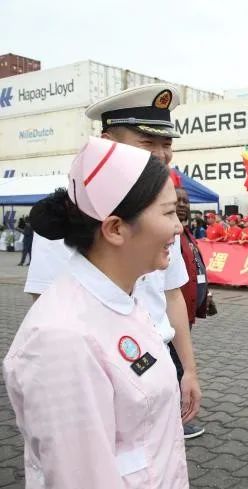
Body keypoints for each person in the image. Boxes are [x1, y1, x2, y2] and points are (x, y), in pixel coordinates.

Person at [4, 138, 188, 487]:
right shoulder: (62, 340)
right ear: (115, 229)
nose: (179, 227)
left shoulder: (124, 299)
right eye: (168, 213)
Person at [22, 84, 201, 430]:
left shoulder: (162, 213)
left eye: (167, 144)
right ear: (106, 141)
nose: (161, 155)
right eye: (147, 142)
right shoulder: (72, 210)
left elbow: (172, 295)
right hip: (97, 366)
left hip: (159, 355)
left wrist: (188, 370)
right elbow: (46, 308)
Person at [174, 184, 210, 439]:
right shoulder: (169, 235)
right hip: (172, 315)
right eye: (177, 201)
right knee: (176, 366)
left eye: (185, 201)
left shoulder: (186, 233)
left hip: (186, 311)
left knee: (178, 363)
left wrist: (206, 294)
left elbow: (196, 267)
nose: (182, 205)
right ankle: (178, 419)